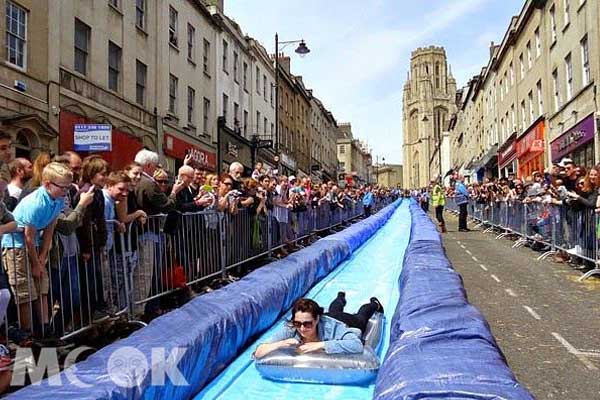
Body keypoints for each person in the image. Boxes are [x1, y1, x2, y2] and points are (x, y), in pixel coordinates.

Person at [2, 162, 71, 334]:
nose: (65, 191)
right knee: (25, 291)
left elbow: (50, 227)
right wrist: (35, 263)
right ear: (47, 184)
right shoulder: (36, 203)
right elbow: (28, 237)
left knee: (42, 287)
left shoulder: (58, 199)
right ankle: (27, 331)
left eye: (67, 187)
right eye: (62, 187)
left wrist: (42, 256)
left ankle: (45, 328)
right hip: (15, 245)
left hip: (35, 244)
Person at [254, 294, 383, 359]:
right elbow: (258, 352)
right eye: (298, 323)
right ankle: (340, 297)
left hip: (344, 321)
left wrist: (321, 345)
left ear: (316, 320)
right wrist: (279, 344)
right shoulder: (292, 328)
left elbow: (356, 345)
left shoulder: (332, 327)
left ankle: (374, 304)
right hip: (327, 315)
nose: (302, 328)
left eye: (307, 324)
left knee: (360, 318)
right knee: (334, 309)